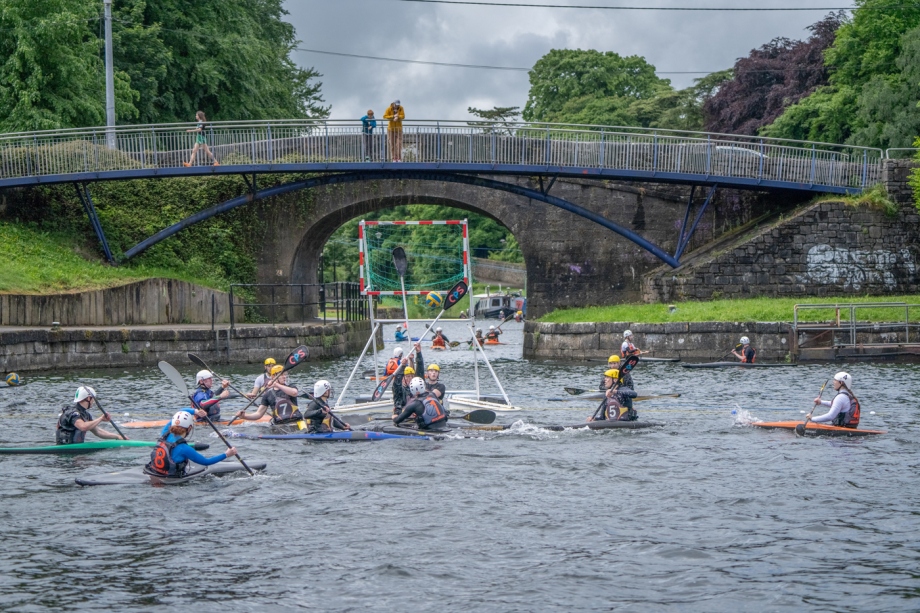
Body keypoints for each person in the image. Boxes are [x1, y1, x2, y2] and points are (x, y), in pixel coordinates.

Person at [145, 411, 237, 478]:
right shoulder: (184, 448)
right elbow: (206, 462)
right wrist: (226, 454)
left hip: (153, 471)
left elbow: (180, 412)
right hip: (170, 479)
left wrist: (195, 411)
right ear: (189, 428)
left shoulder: (164, 433)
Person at [233, 365, 304, 427]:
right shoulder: (267, 394)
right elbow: (259, 414)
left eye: (285, 374)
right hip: (280, 424)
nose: (284, 377)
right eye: (281, 375)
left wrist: (276, 384)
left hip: (297, 421)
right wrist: (244, 416)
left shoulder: (291, 386)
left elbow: (294, 393)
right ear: (273, 376)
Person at [55, 386, 125, 445]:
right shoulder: (72, 413)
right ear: (88, 398)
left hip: (76, 451)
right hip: (66, 451)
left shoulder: (86, 415)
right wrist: (100, 419)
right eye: (93, 399)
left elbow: (98, 432)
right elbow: (83, 427)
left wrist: (117, 437)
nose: (93, 402)